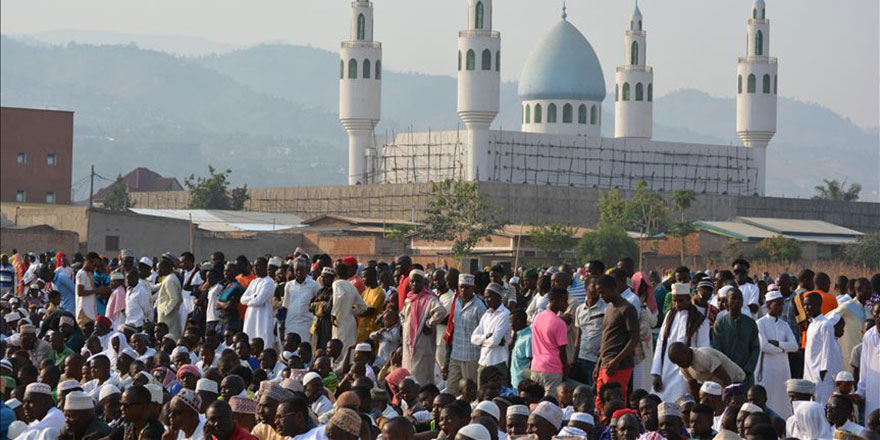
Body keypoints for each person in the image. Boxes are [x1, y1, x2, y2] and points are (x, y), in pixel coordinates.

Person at [651, 282, 710, 403]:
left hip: (687, 370)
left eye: (681, 300)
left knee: (682, 402)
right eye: (674, 301)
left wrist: (699, 380)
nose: (677, 304)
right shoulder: (670, 315)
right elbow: (660, 343)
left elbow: (704, 349)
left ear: (688, 299)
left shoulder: (699, 320)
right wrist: (656, 373)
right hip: (667, 368)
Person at [594, 274, 639, 415]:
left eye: (603, 292)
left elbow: (634, 339)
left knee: (614, 403)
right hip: (605, 363)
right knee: (600, 403)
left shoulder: (627, 309)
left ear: (613, 288)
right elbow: (606, 338)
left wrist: (617, 361)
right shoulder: (609, 309)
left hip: (619, 366)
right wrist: (599, 363)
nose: (601, 296)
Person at [754, 289, 799, 419]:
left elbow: (794, 346)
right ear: (768, 305)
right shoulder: (760, 323)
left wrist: (778, 344)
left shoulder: (784, 324)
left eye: (782, 304)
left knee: (783, 400)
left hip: (783, 369)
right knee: (768, 398)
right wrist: (784, 348)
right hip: (767, 369)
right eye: (777, 304)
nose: (781, 307)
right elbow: (764, 346)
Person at [401, 270, 447, 387]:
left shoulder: (430, 299)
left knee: (422, 379)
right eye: (412, 281)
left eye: (418, 281)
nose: (415, 284)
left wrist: (428, 324)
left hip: (423, 342)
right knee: (408, 375)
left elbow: (441, 311)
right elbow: (402, 315)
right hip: (408, 343)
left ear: (423, 283)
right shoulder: (408, 299)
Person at [445, 273, 486, 396]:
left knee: (470, 392)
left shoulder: (479, 306)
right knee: (451, 389)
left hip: (471, 356)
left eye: (467, 287)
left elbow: (484, 331)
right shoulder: (456, 302)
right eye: (461, 287)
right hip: (456, 354)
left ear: (473, 288)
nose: (463, 290)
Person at [712, 288, 760, 386]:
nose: (737, 301)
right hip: (726, 374)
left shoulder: (750, 323)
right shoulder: (720, 324)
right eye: (733, 298)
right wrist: (727, 369)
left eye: (739, 298)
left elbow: (755, 348)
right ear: (726, 302)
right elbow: (717, 349)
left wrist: (748, 369)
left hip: (746, 373)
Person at [803, 292, 842, 404]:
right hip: (809, 373)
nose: (806, 308)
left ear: (819, 305)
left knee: (821, 406)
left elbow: (828, 351)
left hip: (820, 376)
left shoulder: (825, 324)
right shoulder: (811, 324)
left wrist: (823, 373)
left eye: (809, 304)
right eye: (805, 305)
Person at [667, 343, 745, 398]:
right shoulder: (684, 367)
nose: (680, 365)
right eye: (677, 363)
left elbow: (725, 378)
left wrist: (727, 399)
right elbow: (693, 387)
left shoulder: (703, 356)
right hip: (718, 388)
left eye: (680, 362)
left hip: (735, 382)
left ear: (686, 352)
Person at [471, 283, 510, 389]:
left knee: (498, 395)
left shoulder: (505, 314)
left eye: (489, 297)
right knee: (481, 394)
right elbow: (473, 338)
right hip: (483, 362)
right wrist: (485, 337)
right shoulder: (486, 314)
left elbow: (494, 341)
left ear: (498, 297)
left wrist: (481, 342)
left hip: (497, 362)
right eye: (485, 297)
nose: (486, 300)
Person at [530, 287, 570, 394]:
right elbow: (562, 350)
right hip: (553, 369)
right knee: (550, 401)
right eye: (564, 301)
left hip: (536, 366)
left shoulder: (538, 317)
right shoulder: (560, 324)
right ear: (554, 300)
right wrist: (565, 368)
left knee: (535, 399)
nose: (567, 304)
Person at [573, 277, 605, 386]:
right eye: (593, 287)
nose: (596, 290)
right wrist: (574, 358)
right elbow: (578, 335)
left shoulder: (606, 308)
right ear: (586, 288)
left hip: (595, 360)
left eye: (598, 287)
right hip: (581, 358)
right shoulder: (579, 309)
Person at [331, 262, 369, 353]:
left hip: (339, 321)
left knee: (338, 349)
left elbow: (340, 296)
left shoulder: (337, 283)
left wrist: (333, 313)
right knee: (349, 349)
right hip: (351, 322)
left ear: (336, 274)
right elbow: (363, 307)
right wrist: (351, 312)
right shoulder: (351, 286)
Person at [856, 302, 880, 417]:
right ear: (872, 314)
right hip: (872, 389)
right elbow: (864, 366)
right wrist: (861, 391)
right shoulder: (868, 336)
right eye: (877, 313)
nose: (879, 316)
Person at [156, 257, 184, 340]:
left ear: (165, 268)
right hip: (171, 314)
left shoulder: (169, 280)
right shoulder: (171, 278)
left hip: (168, 317)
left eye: (159, 269)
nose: (157, 271)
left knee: (169, 338)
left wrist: (166, 311)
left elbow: (174, 298)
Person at [357, 266, 385, 343]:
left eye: (364, 277)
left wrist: (356, 312)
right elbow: (357, 305)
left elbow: (371, 310)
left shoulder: (379, 292)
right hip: (362, 329)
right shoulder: (365, 292)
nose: (362, 279)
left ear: (372, 277)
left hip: (372, 329)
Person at [508, 308, 532, 389]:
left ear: (518, 321)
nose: (510, 325)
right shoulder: (518, 335)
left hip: (523, 383)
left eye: (511, 321)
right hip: (515, 380)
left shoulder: (529, 338)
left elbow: (531, 361)